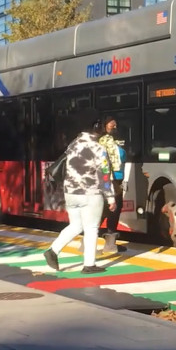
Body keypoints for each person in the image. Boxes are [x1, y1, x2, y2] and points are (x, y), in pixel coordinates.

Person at [43, 118, 116, 274]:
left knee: (75, 225)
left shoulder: (73, 145)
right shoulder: (98, 149)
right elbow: (104, 175)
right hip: (90, 194)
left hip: (70, 193)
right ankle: (89, 265)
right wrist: (110, 198)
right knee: (91, 228)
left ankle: (52, 251)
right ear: (96, 127)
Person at [98, 116, 128, 253]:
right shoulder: (104, 141)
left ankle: (105, 242)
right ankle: (109, 243)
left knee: (108, 209)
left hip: (115, 178)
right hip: (110, 179)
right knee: (112, 209)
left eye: (115, 125)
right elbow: (120, 156)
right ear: (105, 126)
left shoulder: (114, 141)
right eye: (111, 125)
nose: (114, 127)